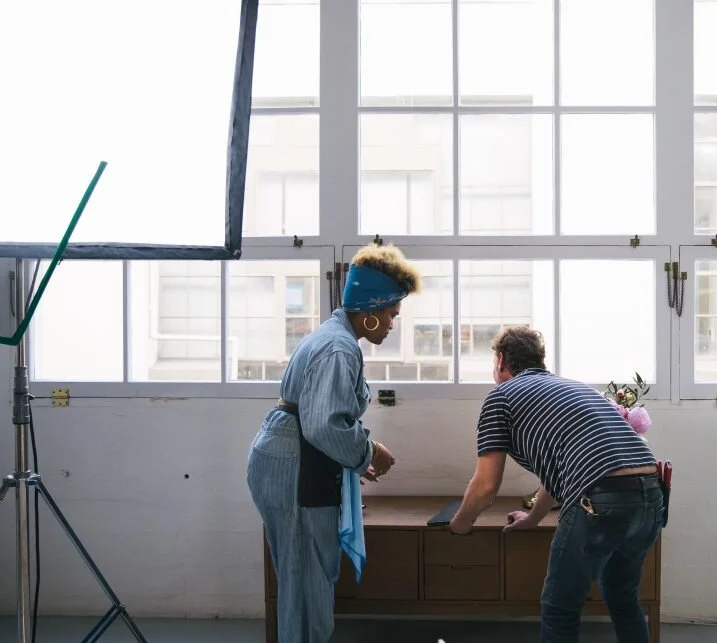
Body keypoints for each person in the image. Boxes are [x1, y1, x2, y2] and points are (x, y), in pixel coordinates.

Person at [246, 242, 421, 643]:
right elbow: (324, 427)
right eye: (392, 313)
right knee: (306, 578)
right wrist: (367, 452)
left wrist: (347, 463)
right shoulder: (339, 349)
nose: (394, 323)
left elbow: (322, 420)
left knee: (306, 574)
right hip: (294, 466)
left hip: (292, 457)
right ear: (372, 309)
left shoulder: (334, 337)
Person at [448, 326, 666, 643]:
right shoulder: (576, 389)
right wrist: (534, 518)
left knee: (560, 607)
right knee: (622, 598)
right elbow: (562, 474)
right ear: (539, 359)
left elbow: (485, 486)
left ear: (499, 361)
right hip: (651, 496)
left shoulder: (501, 397)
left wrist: (460, 524)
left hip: (600, 499)